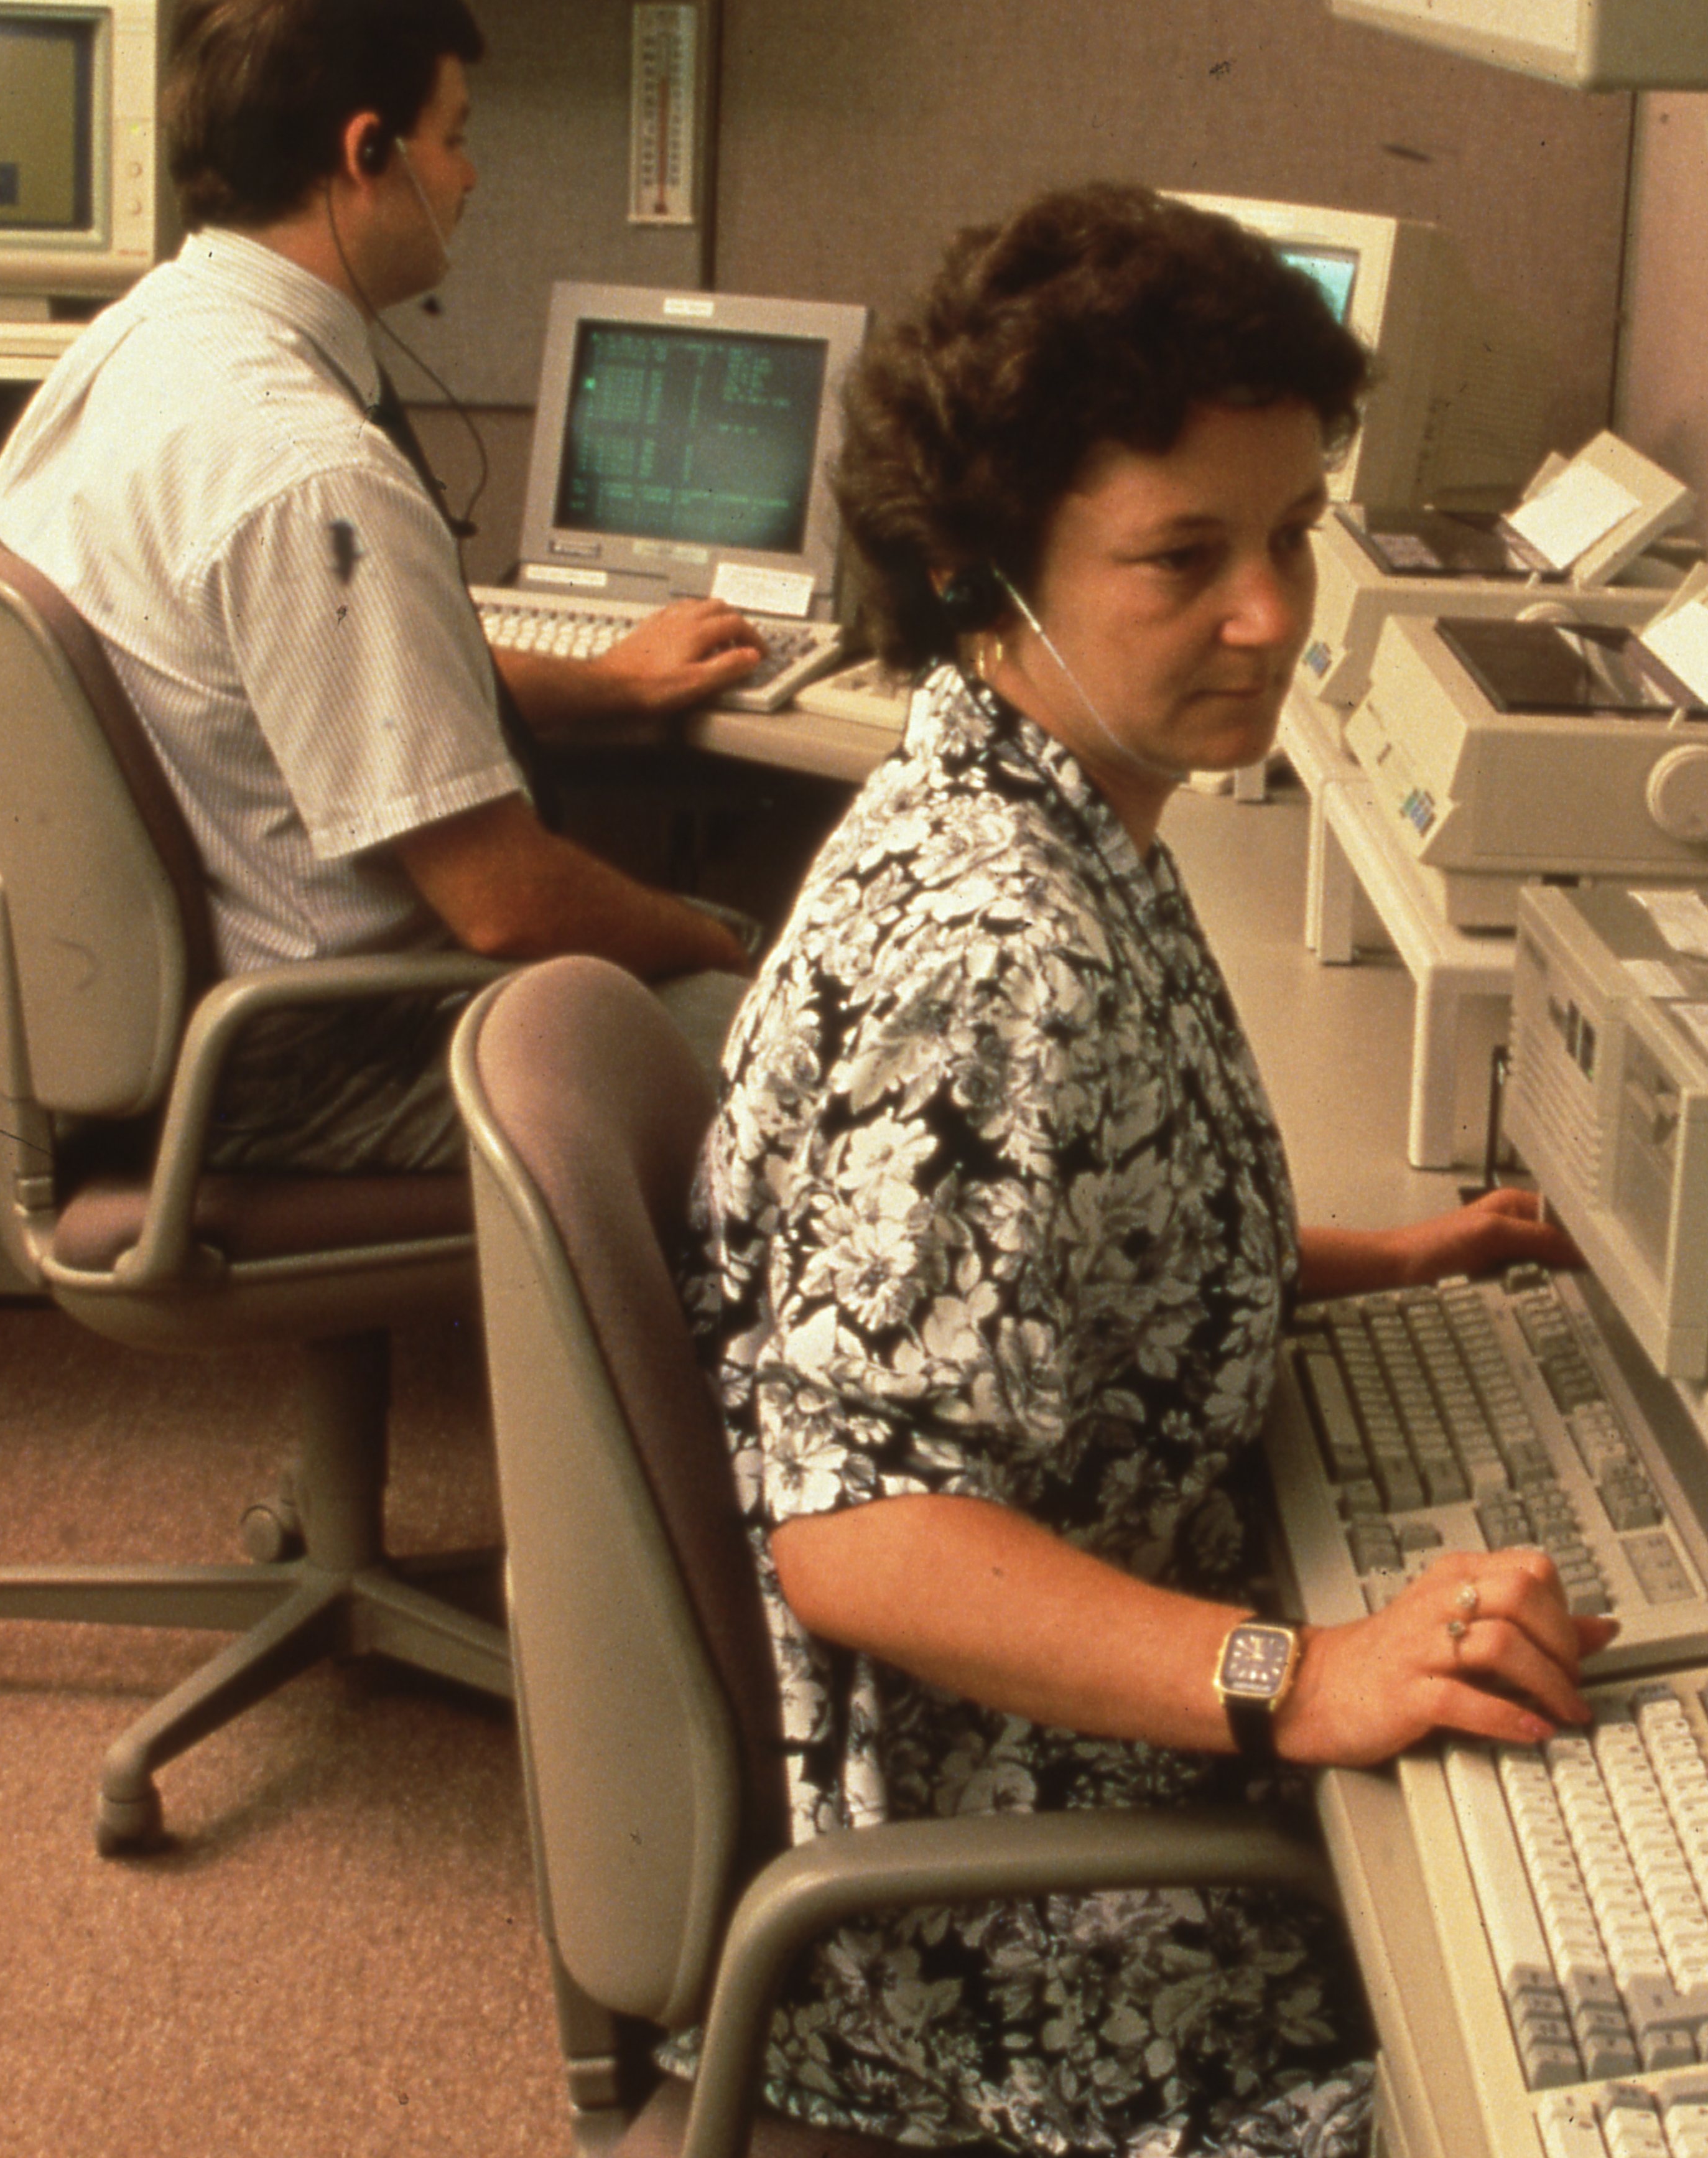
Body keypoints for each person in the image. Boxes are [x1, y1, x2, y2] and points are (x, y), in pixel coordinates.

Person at [677, 184, 1607, 2158]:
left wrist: (1371, 1261)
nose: (1271, 614)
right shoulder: (997, 963)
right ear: (985, 568)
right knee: (1573, 2067)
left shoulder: (1033, 797)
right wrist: (1305, 1676)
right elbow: (862, 1532)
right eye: (1185, 558)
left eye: (1292, 533)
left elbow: (1058, 1256)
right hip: (1008, 1915)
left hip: (1051, 1778)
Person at [0, 0, 768, 1173]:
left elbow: (315, 694)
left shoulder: (134, 349)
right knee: (821, 1040)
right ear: (367, 152)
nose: (469, 176)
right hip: (332, 1056)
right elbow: (506, 904)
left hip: (201, 1024)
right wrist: (723, 948)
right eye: (453, 135)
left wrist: (609, 684)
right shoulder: (313, 471)